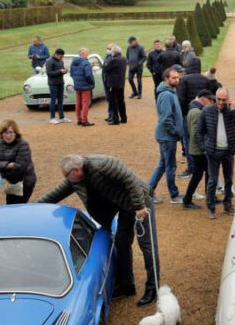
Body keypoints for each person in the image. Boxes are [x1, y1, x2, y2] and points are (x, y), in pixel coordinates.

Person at [39, 154, 159, 306]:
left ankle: (153, 288)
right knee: (121, 243)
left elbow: (130, 180)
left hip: (140, 202)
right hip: (122, 205)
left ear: (76, 170)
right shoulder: (75, 179)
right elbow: (56, 193)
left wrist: (139, 206)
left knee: (147, 246)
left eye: (67, 176)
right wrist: (33, 207)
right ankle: (127, 286)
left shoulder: (102, 165)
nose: (67, 179)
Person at [195, 87, 235, 218]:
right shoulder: (206, 111)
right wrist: (204, 147)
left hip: (228, 151)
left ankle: (228, 204)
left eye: (224, 100)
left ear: (228, 99)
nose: (221, 102)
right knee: (212, 180)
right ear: (215, 98)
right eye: (219, 99)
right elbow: (198, 131)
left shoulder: (233, 111)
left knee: (228, 180)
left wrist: (233, 110)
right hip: (212, 152)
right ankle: (211, 208)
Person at [148, 67, 183, 204]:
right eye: (173, 78)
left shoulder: (170, 91)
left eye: (177, 77)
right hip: (167, 137)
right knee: (170, 166)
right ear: (166, 79)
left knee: (163, 165)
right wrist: (176, 131)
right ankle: (174, 195)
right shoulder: (167, 95)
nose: (177, 80)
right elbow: (166, 118)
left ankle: (148, 191)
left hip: (167, 136)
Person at [0, 119, 36, 204]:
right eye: (5, 133)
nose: (8, 136)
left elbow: (19, 168)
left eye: (11, 132)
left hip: (25, 182)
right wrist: (7, 165)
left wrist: (3, 172)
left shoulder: (23, 144)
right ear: (1, 133)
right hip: (11, 182)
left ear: (16, 133)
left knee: (19, 207)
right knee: (9, 206)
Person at [181, 90, 214, 210]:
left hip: (196, 149)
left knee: (204, 173)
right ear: (203, 99)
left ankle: (207, 196)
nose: (211, 103)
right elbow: (196, 133)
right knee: (201, 174)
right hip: (198, 150)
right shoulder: (196, 112)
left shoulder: (194, 109)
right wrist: (205, 147)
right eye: (210, 100)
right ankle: (188, 200)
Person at [102, 44, 127, 125]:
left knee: (113, 102)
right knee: (121, 101)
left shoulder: (113, 60)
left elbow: (105, 68)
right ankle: (123, 118)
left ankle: (115, 119)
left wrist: (108, 60)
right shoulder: (123, 59)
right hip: (121, 83)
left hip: (113, 83)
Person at [70, 47, 95, 126]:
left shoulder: (73, 63)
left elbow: (71, 74)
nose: (88, 54)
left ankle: (79, 119)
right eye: (87, 53)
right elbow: (88, 75)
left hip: (77, 85)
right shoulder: (86, 63)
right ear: (83, 54)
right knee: (85, 104)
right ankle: (84, 120)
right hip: (85, 86)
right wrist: (92, 82)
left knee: (78, 103)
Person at [44, 48, 69, 124]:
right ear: (57, 54)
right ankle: (52, 118)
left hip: (60, 82)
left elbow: (62, 70)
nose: (61, 58)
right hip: (53, 84)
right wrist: (59, 71)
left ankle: (62, 117)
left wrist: (65, 71)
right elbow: (49, 73)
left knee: (61, 100)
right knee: (53, 100)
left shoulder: (61, 61)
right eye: (61, 56)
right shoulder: (49, 61)